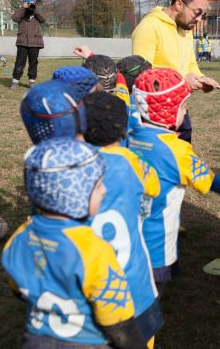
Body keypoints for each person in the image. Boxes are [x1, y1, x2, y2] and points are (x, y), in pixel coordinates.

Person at [2, 138, 147, 348]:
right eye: (97, 186)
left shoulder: (19, 237)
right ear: (75, 195)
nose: (104, 191)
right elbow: (117, 319)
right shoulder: (93, 249)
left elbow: (16, 287)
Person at [128, 68, 220, 295]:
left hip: (125, 241)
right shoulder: (177, 151)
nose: (184, 113)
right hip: (157, 249)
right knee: (145, 305)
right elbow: (211, 180)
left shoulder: (128, 136)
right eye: (184, 107)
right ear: (170, 110)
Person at [83, 92, 164, 349]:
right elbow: (154, 190)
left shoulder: (69, 166)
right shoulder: (133, 163)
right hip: (134, 286)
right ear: (124, 128)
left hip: (84, 289)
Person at [131, 0, 220, 143]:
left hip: (178, 109)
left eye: (203, 15)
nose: (199, 19)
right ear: (179, 4)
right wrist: (182, 82)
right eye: (197, 12)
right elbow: (141, 76)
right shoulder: (149, 27)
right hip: (154, 116)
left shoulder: (185, 29)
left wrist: (201, 79)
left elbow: (191, 64)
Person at [11, 0, 45, 89]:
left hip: (35, 41)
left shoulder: (37, 10)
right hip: (22, 41)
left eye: (32, 2)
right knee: (19, 62)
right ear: (25, 2)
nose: (30, 4)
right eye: (28, 2)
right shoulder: (22, 11)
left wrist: (34, 8)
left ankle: (32, 81)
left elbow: (43, 19)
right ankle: (15, 81)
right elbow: (14, 18)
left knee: (33, 63)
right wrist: (23, 8)